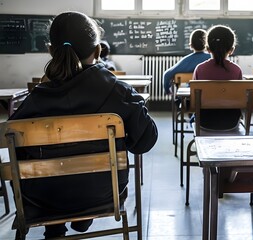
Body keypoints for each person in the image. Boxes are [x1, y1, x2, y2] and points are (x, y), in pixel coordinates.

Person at [9, 11, 158, 238]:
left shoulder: (35, 100)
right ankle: (82, 217)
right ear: (98, 50)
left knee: (49, 170)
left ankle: (55, 228)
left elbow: (13, 145)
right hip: (103, 194)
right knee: (88, 175)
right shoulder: (118, 91)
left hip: (42, 198)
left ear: (51, 50)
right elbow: (145, 142)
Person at [193, 24, 243, 130]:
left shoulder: (200, 69)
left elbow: (194, 98)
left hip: (204, 121)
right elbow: (241, 98)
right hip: (231, 122)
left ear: (207, 48)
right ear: (232, 49)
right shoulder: (236, 70)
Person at [163, 29, 210, 95]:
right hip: (210, 95)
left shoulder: (186, 61)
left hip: (190, 98)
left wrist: (167, 91)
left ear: (191, 45)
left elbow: (166, 75)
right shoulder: (213, 59)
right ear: (207, 44)